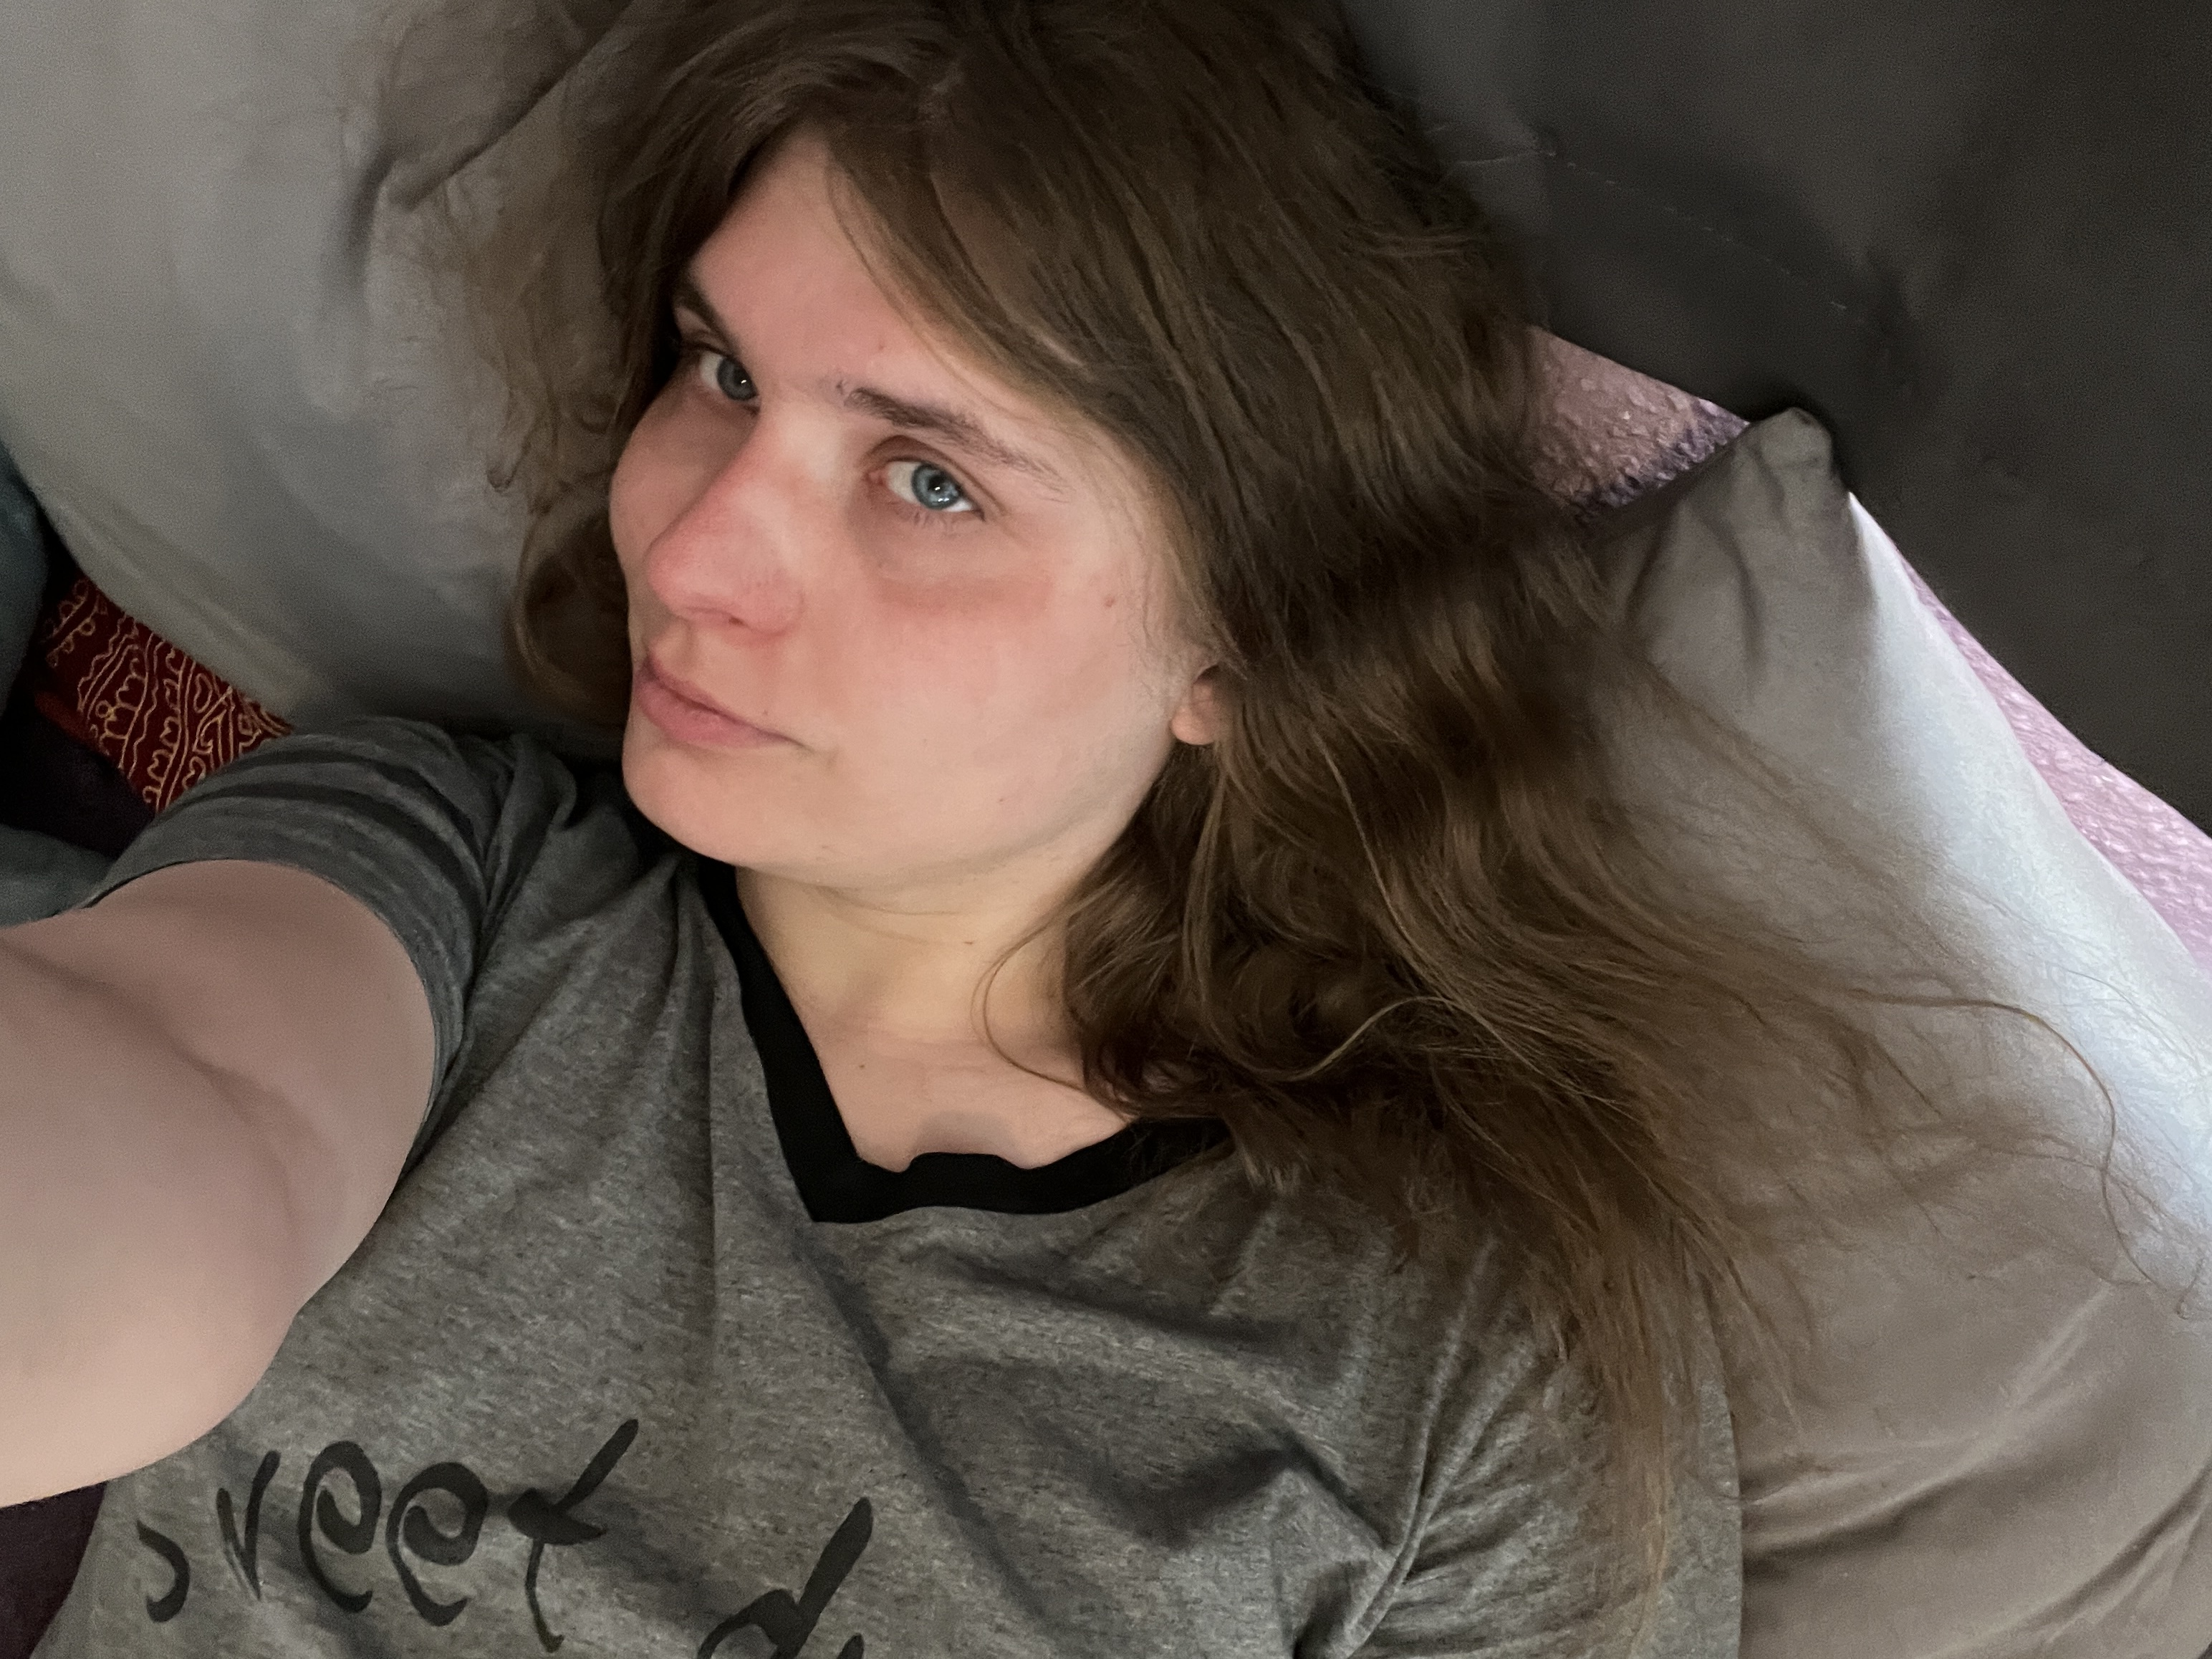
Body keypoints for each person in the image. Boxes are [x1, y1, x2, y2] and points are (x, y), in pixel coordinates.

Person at [0, 1, 2173, 1653]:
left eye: (928, 477)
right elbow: (187, 1109)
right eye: (722, 370)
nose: (697, 540)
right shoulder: (442, 870)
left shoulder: (1466, 1378)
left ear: (1241, 640)